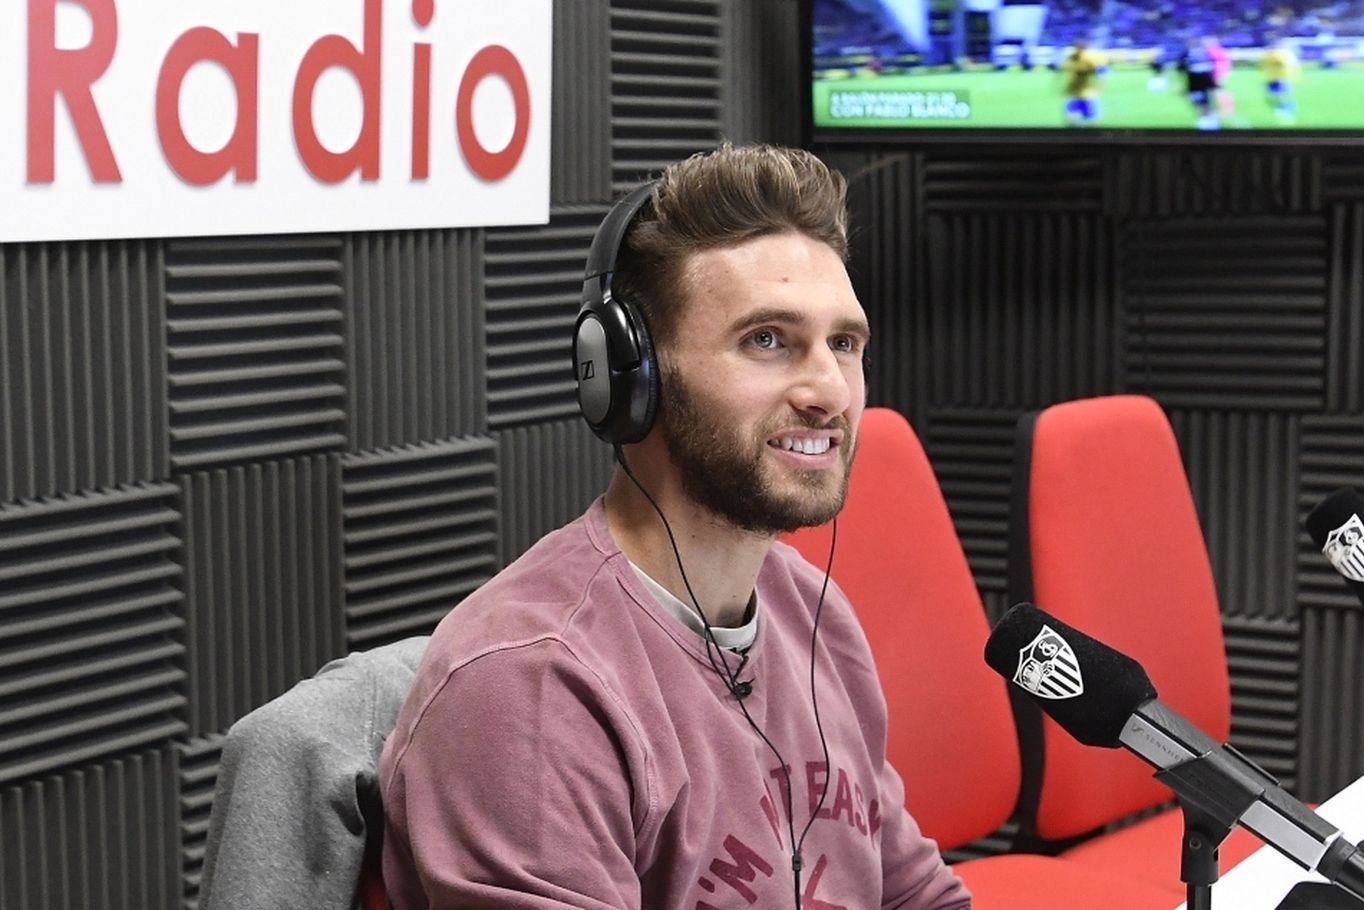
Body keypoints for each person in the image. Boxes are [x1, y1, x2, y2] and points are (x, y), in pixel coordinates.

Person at [378, 143, 972, 909]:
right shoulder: (532, 690)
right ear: (632, 379)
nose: (829, 389)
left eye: (844, 343)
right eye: (768, 340)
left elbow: (915, 894)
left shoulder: (811, 611)